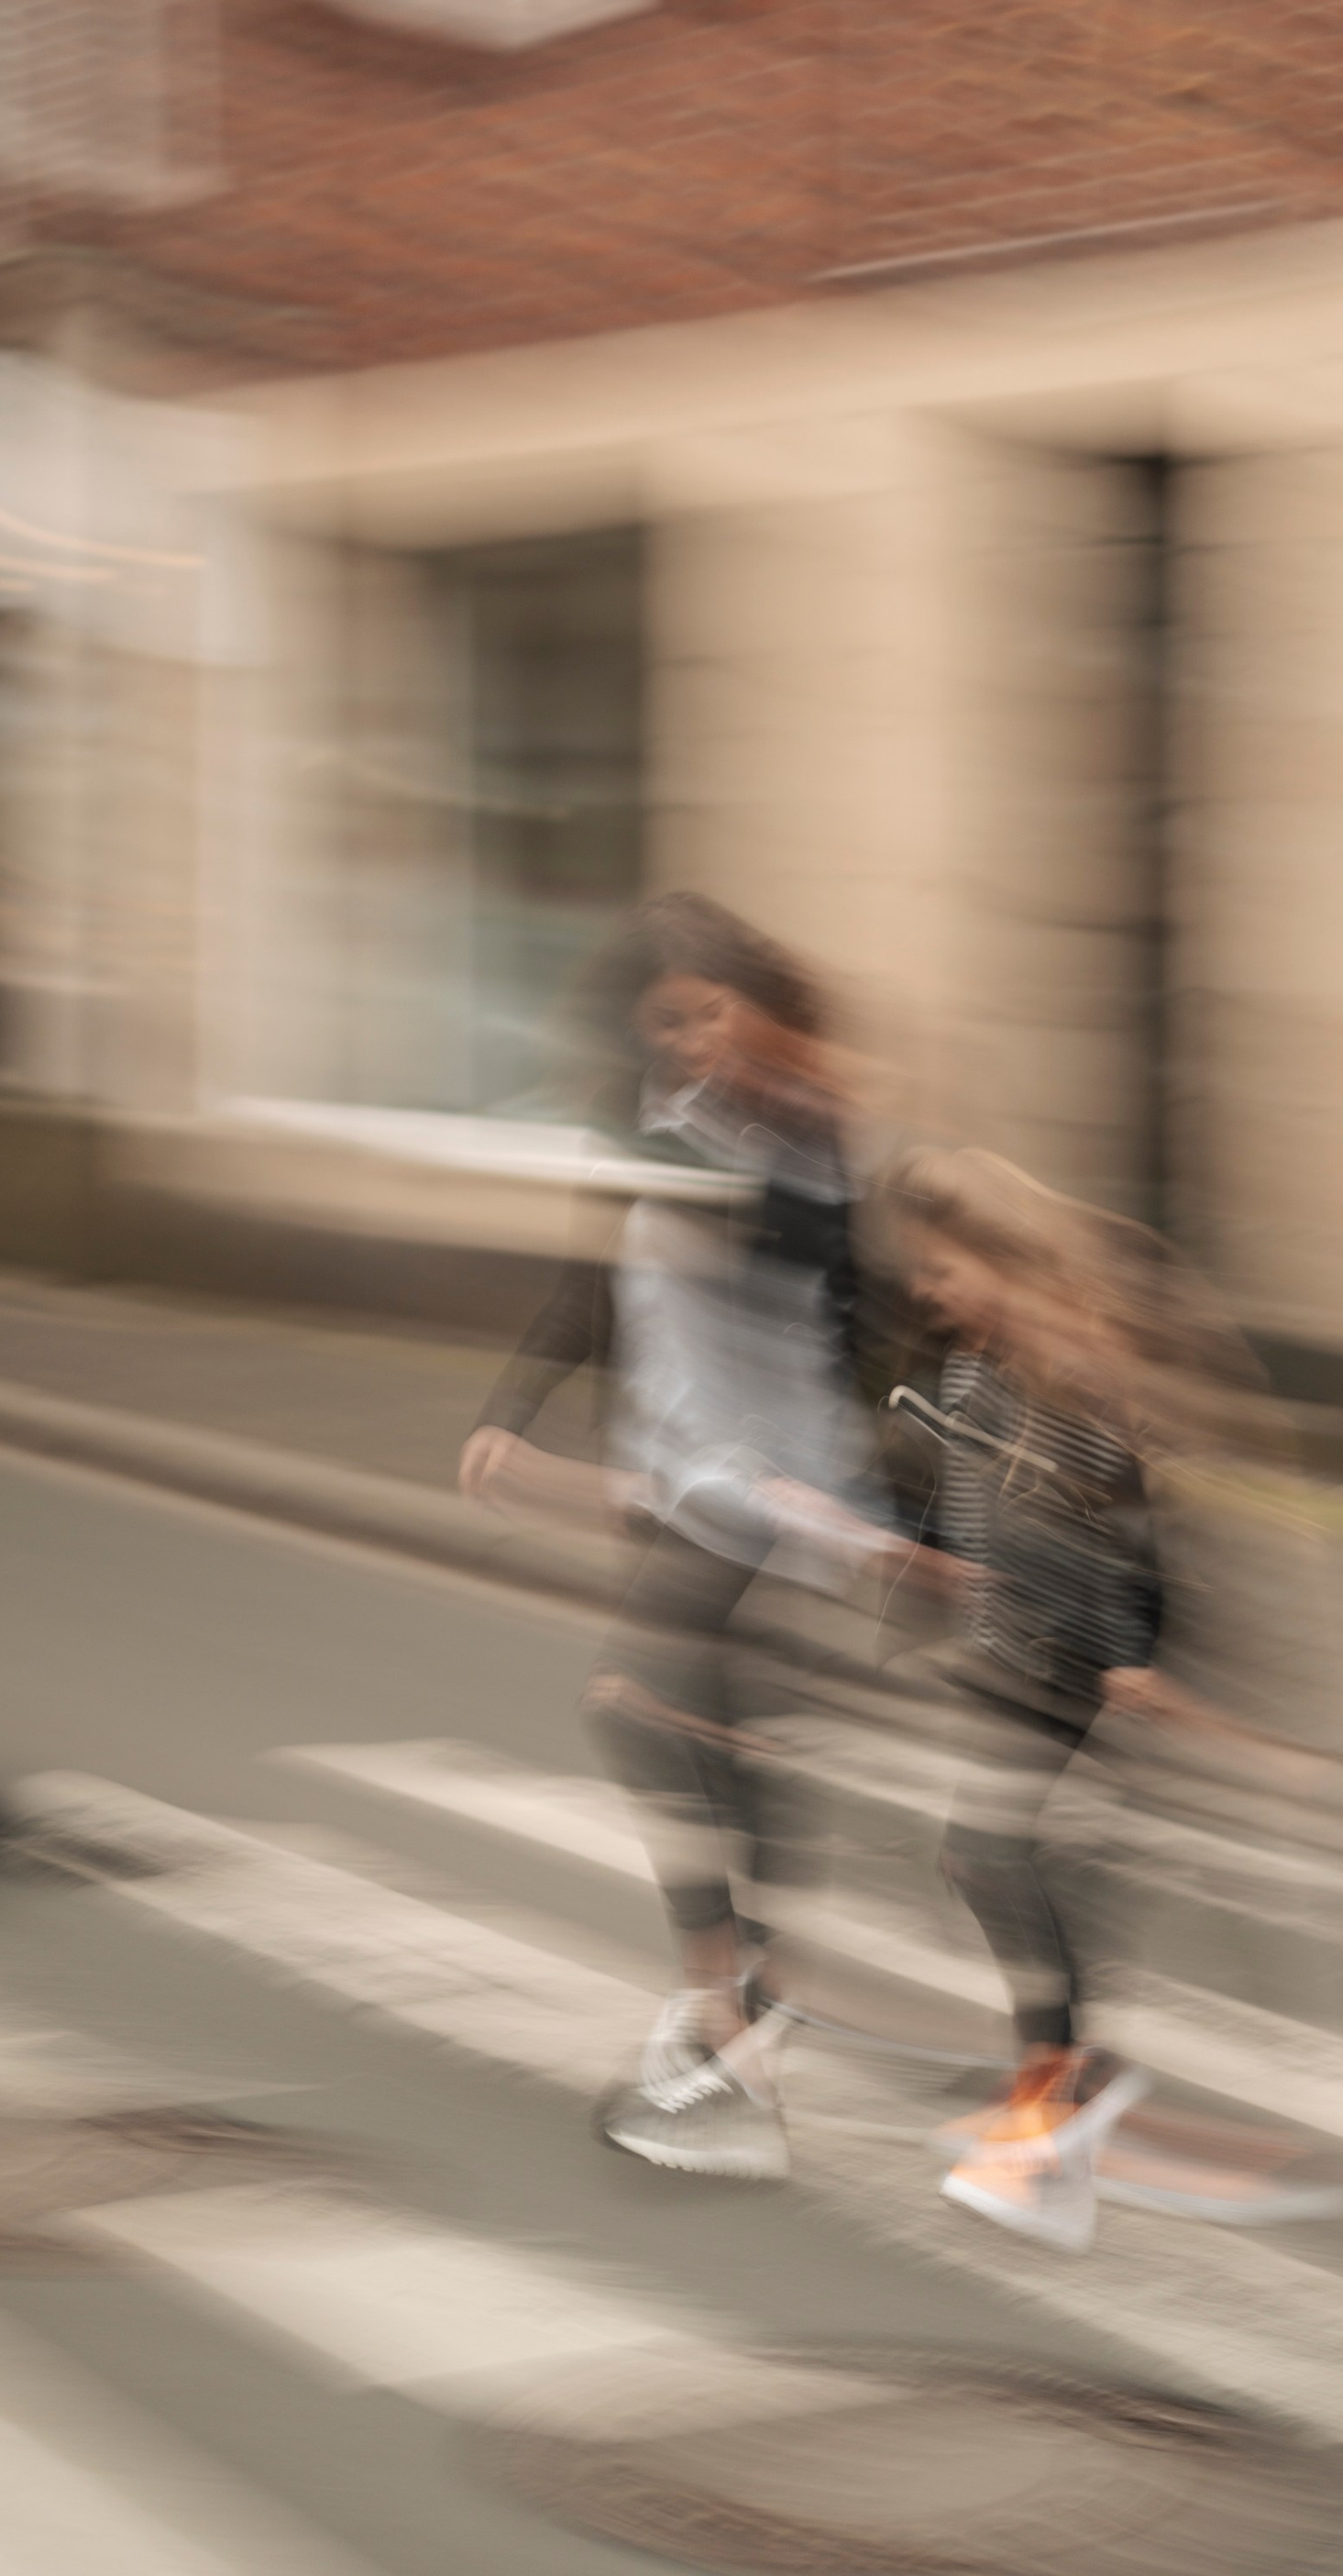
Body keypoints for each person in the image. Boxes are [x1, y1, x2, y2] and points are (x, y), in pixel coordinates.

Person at [461, 891, 907, 2180]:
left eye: (712, 1013)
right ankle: (749, 1990)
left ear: (758, 1014)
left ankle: (729, 2006)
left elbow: (826, 1273)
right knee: (712, 1721)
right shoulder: (656, 1129)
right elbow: (588, 1286)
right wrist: (512, 1408)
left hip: (773, 1481)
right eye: (669, 1021)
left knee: (638, 1705)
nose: (693, 1040)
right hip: (668, 1473)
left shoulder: (810, 1146)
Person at [884, 1148, 1343, 2250]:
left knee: (1001, 1860)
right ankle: (1059, 2093)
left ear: (997, 1260)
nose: (924, 1289)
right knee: (999, 1864)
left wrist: (1139, 1655)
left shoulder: (1077, 1375)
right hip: (1011, 1645)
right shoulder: (966, 1370)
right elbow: (954, 1501)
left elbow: (1134, 1527)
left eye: (942, 1267)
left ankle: (1059, 2098)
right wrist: (925, 1567)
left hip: (1082, 1657)